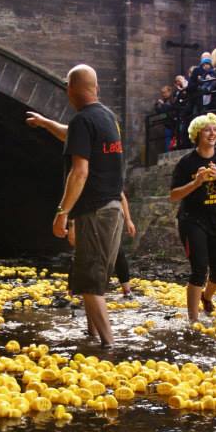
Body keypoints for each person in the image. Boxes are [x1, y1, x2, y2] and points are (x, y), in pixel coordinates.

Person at [26, 65, 125, 349]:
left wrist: (62, 212)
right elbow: (71, 133)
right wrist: (46, 123)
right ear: (95, 87)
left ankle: (109, 348)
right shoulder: (107, 118)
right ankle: (92, 337)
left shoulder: (84, 120)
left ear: (71, 88)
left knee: (90, 283)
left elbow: (79, 172)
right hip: (113, 208)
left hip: (94, 210)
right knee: (91, 277)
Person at [169, 113, 216, 323]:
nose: (212, 133)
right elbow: (173, 196)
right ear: (197, 134)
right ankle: (193, 321)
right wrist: (196, 182)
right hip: (192, 219)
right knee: (199, 269)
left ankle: (206, 297)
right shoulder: (186, 162)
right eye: (207, 130)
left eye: (215, 129)